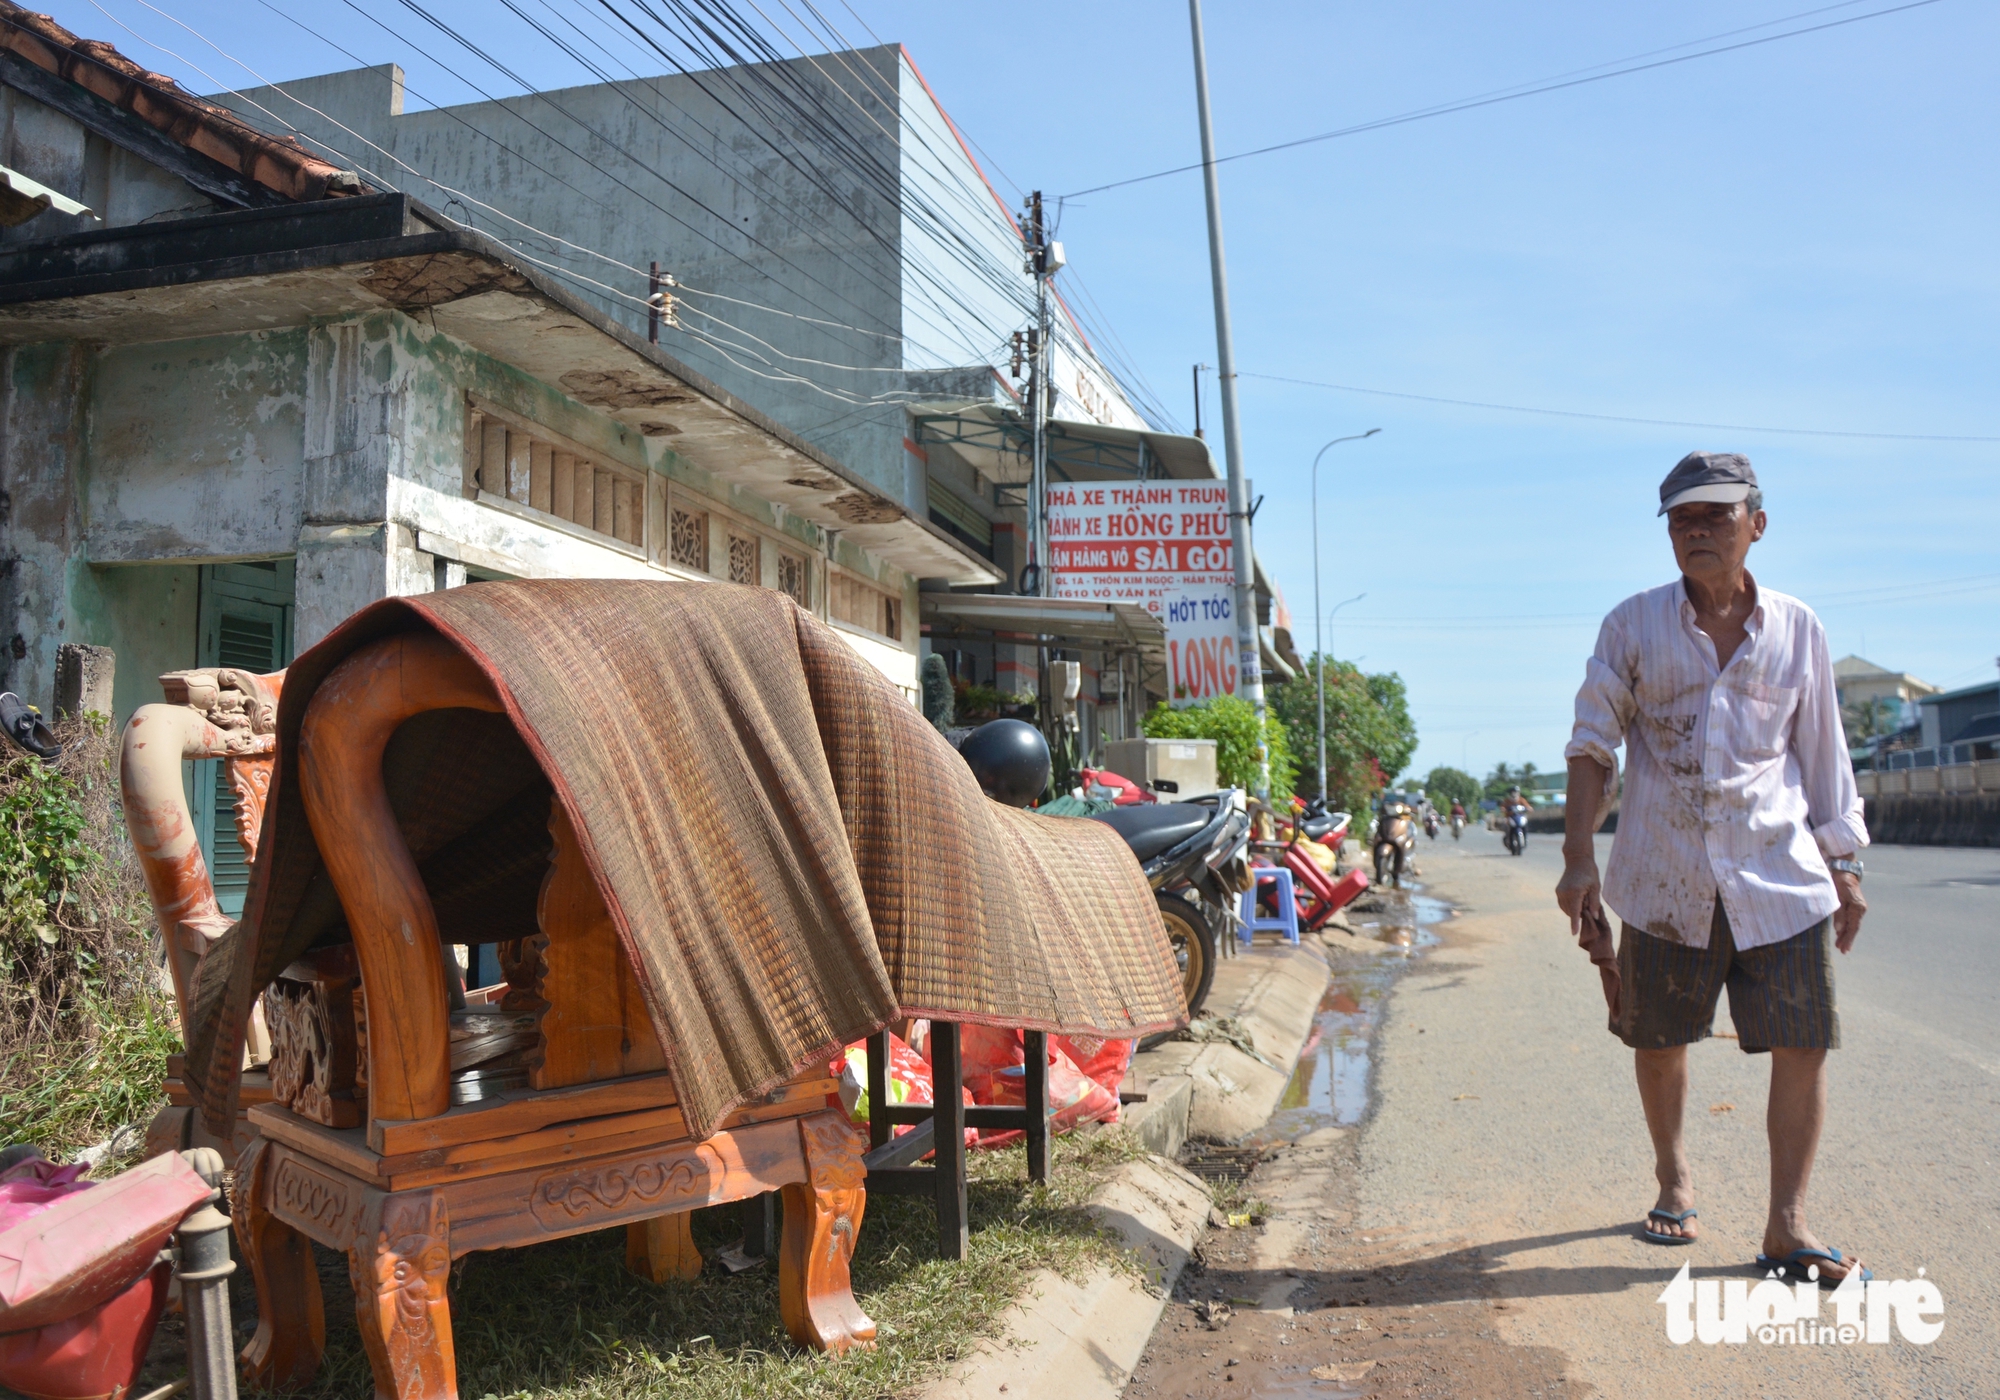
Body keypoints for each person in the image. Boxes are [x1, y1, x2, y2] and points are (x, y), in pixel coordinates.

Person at [1556, 451, 1869, 1284]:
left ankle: (1787, 1225)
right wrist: (1578, 857)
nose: (1696, 530)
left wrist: (1845, 865)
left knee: (1804, 1042)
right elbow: (1592, 743)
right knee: (1657, 1040)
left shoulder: (1799, 629)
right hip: (1664, 879)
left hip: (1780, 877)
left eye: (1715, 516)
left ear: (1755, 525)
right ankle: (1673, 1175)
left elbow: (1823, 757)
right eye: (1681, 519)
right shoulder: (1631, 626)